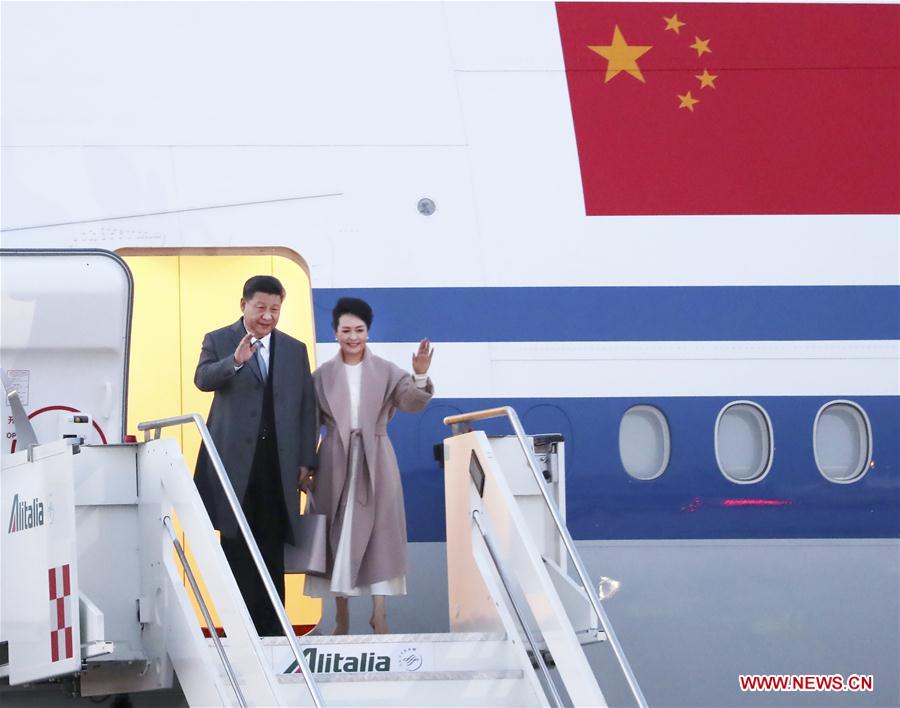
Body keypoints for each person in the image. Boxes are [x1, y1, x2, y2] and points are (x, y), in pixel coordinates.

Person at [194, 275, 318, 636]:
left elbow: (306, 408)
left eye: (275, 309)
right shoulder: (218, 339)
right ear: (243, 305)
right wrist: (235, 361)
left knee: (272, 547)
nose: (267, 316)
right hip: (233, 465)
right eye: (260, 307)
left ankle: (274, 632)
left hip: (277, 464)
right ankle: (240, 630)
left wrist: (306, 460)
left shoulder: (294, 349)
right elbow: (202, 379)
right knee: (235, 544)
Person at [301, 297, 433, 634]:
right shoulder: (322, 375)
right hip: (334, 460)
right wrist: (305, 466)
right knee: (338, 534)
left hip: (376, 457)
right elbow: (309, 424)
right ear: (335, 333)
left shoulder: (387, 371)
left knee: (380, 534)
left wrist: (419, 375)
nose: (353, 337)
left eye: (359, 330)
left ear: (368, 332)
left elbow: (411, 402)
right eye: (346, 330)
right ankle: (341, 616)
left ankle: (380, 614)